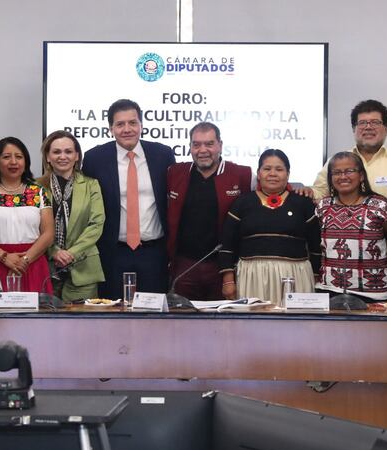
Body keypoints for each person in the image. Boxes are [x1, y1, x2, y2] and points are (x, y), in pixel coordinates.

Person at [82, 99, 176, 298]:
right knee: (113, 310)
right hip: (112, 253)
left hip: (154, 253)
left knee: (153, 311)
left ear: (141, 125)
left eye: (132, 123)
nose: (127, 129)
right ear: (111, 129)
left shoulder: (162, 154)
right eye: (120, 124)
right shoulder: (94, 158)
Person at [309, 100, 387, 288]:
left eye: (375, 122)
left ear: (386, 128)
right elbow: (319, 192)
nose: (368, 127)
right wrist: (303, 192)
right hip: (344, 262)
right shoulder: (339, 160)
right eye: (362, 123)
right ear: (354, 128)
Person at [219, 149, 320, 304]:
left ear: (288, 174)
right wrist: (228, 281)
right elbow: (227, 244)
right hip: (252, 275)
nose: (273, 174)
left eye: (279, 169)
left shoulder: (303, 203)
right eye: (267, 169)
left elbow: (316, 245)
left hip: (295, 275)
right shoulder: (242, 203)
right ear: (259, 174)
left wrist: (315, 276)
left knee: (295, 319)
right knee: (254, 319)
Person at [166, 122, 252, 300]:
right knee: (182, 316)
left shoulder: (242, 174)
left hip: (224, 269)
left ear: (220, 145)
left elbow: (272, 186)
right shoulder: (175, 173)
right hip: (184, 266)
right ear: (190, 147)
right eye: (196, 144)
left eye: (209, 144)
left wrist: (300, 191)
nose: (202, 150)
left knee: (223, 316)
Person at [0, 137, 55, 293]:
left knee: (36, 309)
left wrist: (25, 260)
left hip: (32, 262)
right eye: (6, 157)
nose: (13, 162)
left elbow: (48, 233)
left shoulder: (38, 191)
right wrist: (4, 256)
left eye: (19, 157)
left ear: (26, 162)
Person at [36, 130, 105, 302]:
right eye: (56, 152)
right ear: (48, 157)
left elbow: (96, 224)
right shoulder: (35, 187)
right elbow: (33, 226)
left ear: (77, 156)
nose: (63, 156)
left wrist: (71, 253)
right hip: (45, 268)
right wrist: (54, 251)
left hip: (83, 268)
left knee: (82, 320)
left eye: (68, 151)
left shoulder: (91, 185)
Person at [317, 152, 387, 302]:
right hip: (330, 291)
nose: (343, 176)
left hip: (374, 295)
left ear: (361, 176)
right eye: (336, 172)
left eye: (349, 171)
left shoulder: (379, 205)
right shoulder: (323, 206)